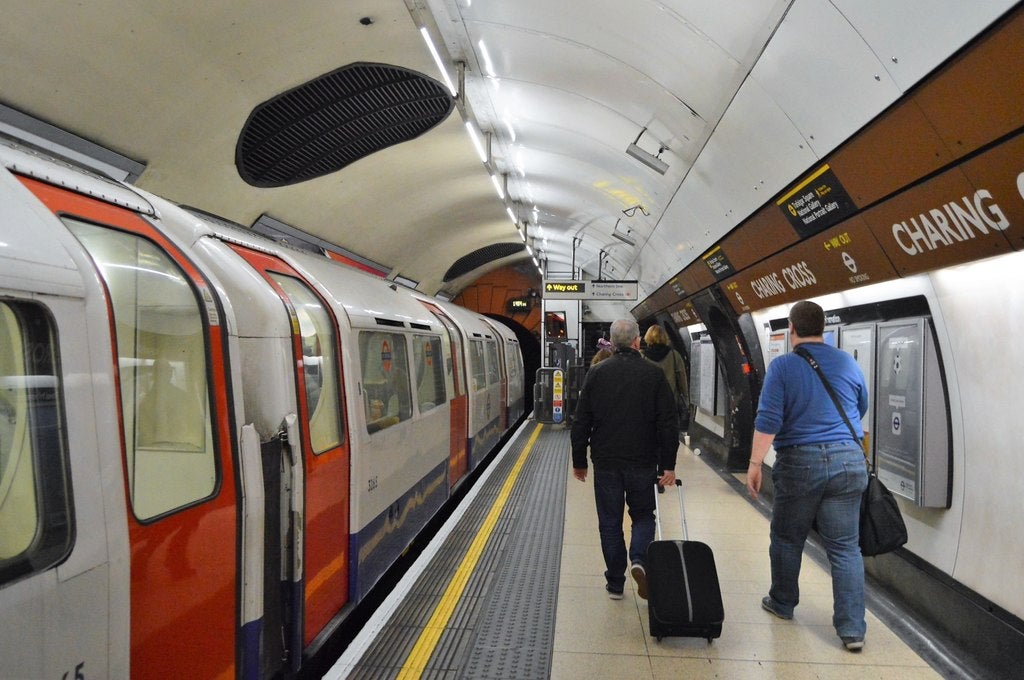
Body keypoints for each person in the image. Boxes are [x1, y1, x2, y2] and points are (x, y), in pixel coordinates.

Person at [746, 300, 869, 652]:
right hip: (848, 461)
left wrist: (755, 464)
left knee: (787, 537)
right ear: (823, 328)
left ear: (791, 328)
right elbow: (860, 406)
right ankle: (852, 630)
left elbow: (768, 420)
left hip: (801, 461)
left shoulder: (783, 366)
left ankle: (783, 603)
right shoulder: (846, 361)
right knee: (845, 548)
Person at [571, 318, 679, 600]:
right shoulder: (654, 374)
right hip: (643, 461)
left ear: (614, 342)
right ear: (636, 341)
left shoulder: (596, 373)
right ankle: (640, 559)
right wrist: (668, 465)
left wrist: (579, 461)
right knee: (643, 515)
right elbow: (668, 422)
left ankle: (615, 583)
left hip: (606, 461)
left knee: (609, 522)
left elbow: (581, 421)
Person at [642, 325, 690, 433]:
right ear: (664, 337)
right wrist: (686, 401)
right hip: (670, 405)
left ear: (647, 337)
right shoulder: (674, 356)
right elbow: (682, 381)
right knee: (670, 435)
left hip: (648, 405)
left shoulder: (642, 357)